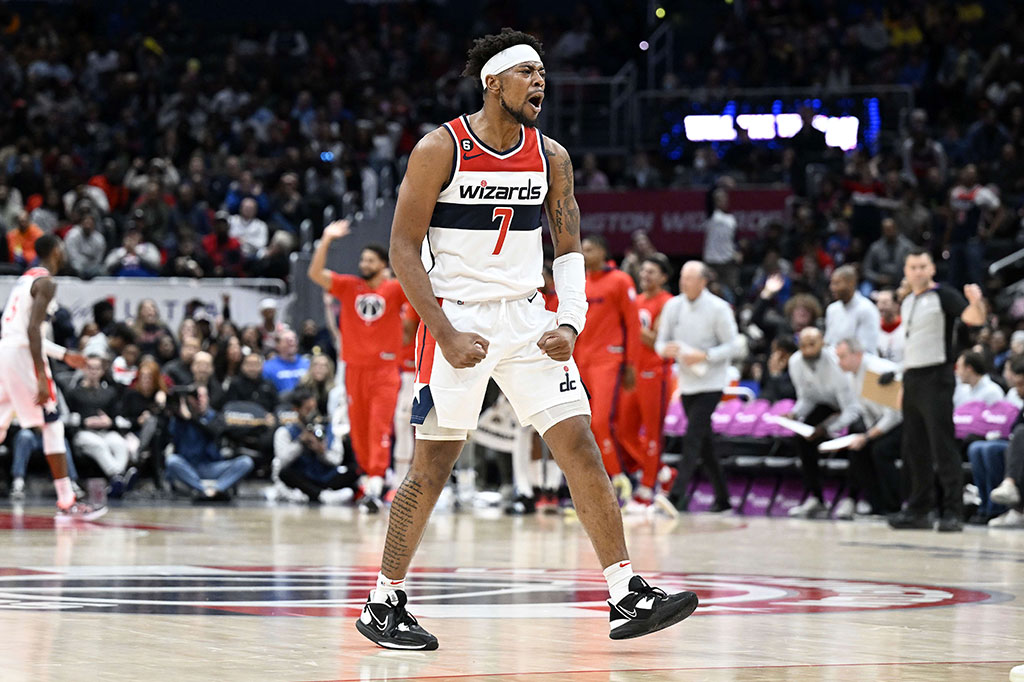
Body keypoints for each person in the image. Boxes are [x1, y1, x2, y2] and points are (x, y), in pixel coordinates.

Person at [354, 29, 697, 651]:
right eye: (529, 73)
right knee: (432, 466)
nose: (541, 82)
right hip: (458, 317)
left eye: (544, 74)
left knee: (580, 448)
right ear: (494, 83)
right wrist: (445, 332)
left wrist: (569, 321)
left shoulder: (551, 156)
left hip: (527, 318)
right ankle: (383, 601)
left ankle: (625, 592)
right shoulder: (440, 148)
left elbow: (568, 246)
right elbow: (403, 248)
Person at [0, 234, 101, 519]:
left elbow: (20, 332)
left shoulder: (26, 278)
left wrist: (63, 355)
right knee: (53, 425)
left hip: (5, 352)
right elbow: (32, 332)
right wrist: (42, 378)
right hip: (22, 356)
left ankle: (67, 500)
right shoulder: (47, 282)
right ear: (56, 251)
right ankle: (67, 501)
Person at [308, 224, 406, 512]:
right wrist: (325, 240)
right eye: (362, 260)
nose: (364, 264)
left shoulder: (395, 289)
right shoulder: (349, 286)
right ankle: (367, 481)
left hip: (385, 370)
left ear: (383, 266)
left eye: (370, 261)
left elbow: (421, 286)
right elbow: (315, 274)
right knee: (359, 429)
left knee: (379, 426)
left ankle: (376, 482)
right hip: (354, 369)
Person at [889, 247, 985, 532]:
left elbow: (974, 319)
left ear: (931, 269)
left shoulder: (944, 296)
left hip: (937, 376)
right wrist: (904, 384)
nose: (917, 271)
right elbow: (910, 345)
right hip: (913, 378)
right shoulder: (907, 301)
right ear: (906, 271)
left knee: (941, 446)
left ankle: (952, 511)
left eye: (922, 266)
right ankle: (919, 508)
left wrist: (976, 302)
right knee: (913, 447)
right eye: (912, 267)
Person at [655, 261, 740, 513]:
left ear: (703, 282)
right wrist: (666, 350)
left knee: (692, 438)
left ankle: (676, 497)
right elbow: (660, 343)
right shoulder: (673, 306)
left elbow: (734, 345)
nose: (684, 282)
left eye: (690, 278)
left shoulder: (718, 308)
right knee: (704, 443)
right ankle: (723, 499)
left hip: (712, 383)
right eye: (682, 277)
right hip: (687, 382)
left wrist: (705, 355)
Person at [575, 234, 641, 504]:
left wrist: (631, 364)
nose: (583, 253)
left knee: (602, 422)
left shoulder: (620, 281)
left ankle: (618, 478)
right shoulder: (578, 281)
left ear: (602, 251)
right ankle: (598, 483)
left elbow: (633, 326)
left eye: (588, 249)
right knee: (584, 425)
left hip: (609, 361)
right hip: (582, 361)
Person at [616, 254, 674, 510]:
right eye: (643, 271)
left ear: (663, 276)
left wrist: (630, 321)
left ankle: (647, 488)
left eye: (652, 272)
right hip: (632, 372)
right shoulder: (637, 301)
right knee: (622, 430)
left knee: (652, 434)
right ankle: (662, 471)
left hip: (655, 374)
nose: (645, 276)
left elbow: (655, 341)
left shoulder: (668, 303)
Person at [785, 327, 862, 518]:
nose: (808, 349)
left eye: (812, 344)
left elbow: (851, 409)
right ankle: (816, 497)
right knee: (803, 438)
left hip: (854, 406)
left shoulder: (837, 364)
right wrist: (794, 414)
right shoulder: (795, 362)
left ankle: (852, 498)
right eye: (803, 344)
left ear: (822, 343)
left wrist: (827, 428)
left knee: (855, 438)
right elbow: (807, 398)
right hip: (824, 404)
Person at [833, 338, 904, 518]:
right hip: (879, 423)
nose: (838, 362)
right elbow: (865, 412)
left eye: (842, 357)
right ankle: (876, 504)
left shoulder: (876, 371)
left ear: (857, 354)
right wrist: (865, 436)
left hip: (904, 422)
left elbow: (893, 416)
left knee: (881, 450)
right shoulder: (851, 376)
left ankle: (893, 505)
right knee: (858, 451)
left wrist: (867, 437)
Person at [165, 385, 254, 501]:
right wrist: (176, 413)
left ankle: (216, 489)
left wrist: (192, 418)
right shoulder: (179, 420)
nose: (199, 400)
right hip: (188, 466)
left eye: (202, 396)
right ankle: (204, 490)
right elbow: (169, 435)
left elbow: (213, 431)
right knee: (172, 460)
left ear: (208, 398)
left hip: (212, 466)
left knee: (245, 462)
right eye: (196, 397)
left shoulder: (215, 417)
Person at [64, 355, 136, 497]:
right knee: (99, 445)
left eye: (97, 369)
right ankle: (119, 476)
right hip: (83, 433)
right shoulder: (73, 393)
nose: (93, 372)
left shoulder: (110, 392)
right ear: (84, 369)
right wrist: (84, 421)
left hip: (106, 431)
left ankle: (117, 480)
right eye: (90, 368)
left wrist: (110, 422)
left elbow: (118, 418)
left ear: (102, 371)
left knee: (119, 443)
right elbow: (67, 419)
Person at [271, 389, 356, 504]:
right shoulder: (284, 432)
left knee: (354, 470)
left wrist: (321, 451)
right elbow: (282, 460)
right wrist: (300, 443)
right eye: (308, 409)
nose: (312, 413)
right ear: (296, 409)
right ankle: (321, 496)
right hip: (303, 476)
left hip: (325, 475)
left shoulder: (326, 429)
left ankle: (318, 493)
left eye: (314, 408)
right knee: (284, 472)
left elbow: (337, 460)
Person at [823, 265, 880, 352]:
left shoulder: (867, 309)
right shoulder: (832, 309)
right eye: (832, 283)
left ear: (851, 283)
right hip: (835, 360)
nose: (832, 288)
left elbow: (867, 348)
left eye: (837, 283)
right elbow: (828, 343)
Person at [702, 188, 739, 299]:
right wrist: (721, 184)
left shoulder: (731, 219)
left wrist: (737, 251)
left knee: (731, 291)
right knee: (711, 290)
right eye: (719, 199)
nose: (722, 201)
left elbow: (734, 239)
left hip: (728, 261)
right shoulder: (712, 216)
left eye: (724, 199)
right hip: (712, 261)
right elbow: (707, 197)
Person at [862, 218, 913, 293]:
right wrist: (878, 278)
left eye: (891, 229)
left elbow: (914, 266)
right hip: (879, 285)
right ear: (882, 231)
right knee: (865, 289)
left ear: (896, 229)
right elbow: (866, 270)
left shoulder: (907, 247)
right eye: (886, 230)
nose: (889, 232)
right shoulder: (875, 247)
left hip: (902, 282)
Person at [262, 329, 309, 394]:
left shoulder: (307, 364)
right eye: (287, 341)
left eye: (294, 339)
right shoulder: (267, 368)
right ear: (278, 345)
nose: (292, 343)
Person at [876, 289, 905, 363]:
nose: (880, 307)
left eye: (885, 303)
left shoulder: (905, 327)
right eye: (878, 302)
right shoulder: (874, 328)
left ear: (896, 305)